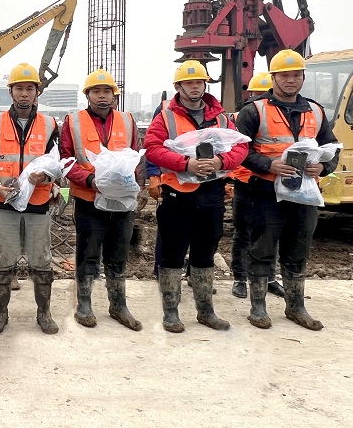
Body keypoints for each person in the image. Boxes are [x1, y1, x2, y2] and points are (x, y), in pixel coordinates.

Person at [234, 50, 339, 330]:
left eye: (296, 75)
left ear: (303, 77)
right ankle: (258, 308)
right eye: (284, 75)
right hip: (266, 193)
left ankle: (296, 307)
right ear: (274, 78)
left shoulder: (315, 111)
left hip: (305, 194)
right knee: (262, 248)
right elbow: (239, 151)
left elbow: (332, 147)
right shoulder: (254, 110)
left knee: (298, 250)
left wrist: (324, 167)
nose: (291, 80)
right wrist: (269, 164)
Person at [143, 60, 247, 333]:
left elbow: (240, 148)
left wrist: (222, 162)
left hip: (211, 194)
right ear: (178, 86)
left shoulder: (222, 118)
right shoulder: (166, 117)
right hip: (178, 194)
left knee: (205, 252)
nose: (195, 87)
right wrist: (184, 164)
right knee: (172, 253)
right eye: (189, 83)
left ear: (205, 85)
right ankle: (171, 313)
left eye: (199, 82)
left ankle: (205, 311)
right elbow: (152, 148)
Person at [60, 69, 143, 331]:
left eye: (107, 91)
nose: (102, 96)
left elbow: (136, 156)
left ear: (114, 95)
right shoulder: (73, 122)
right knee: (88, 253)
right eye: (96, 91)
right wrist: (89, 180)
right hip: (89, 199)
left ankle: (118, 305)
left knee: (118, 254)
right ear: (88, 95)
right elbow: (65, 160)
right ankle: (84, 304)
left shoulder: (127, 120)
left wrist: (134, 183)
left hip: (123, 202)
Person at [0, 63, 59, 335]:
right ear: (11, 91)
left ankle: (44, 313)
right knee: (4, 259)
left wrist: (45, 178)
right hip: (5, 203)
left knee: (41, 259)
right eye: (19, 88)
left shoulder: (49, 124)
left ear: (37, 92)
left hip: (38, 202)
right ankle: (0, 313)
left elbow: (57, 164)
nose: (24, 93)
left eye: (29, 88)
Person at [230, 71, 285, 299]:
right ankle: (240, 278)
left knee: (270, 233)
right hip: (245, 183)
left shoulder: (279, 116)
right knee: (243, 233)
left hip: (269, 184)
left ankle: (269, 278)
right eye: (257, 94)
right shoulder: (240, 117)